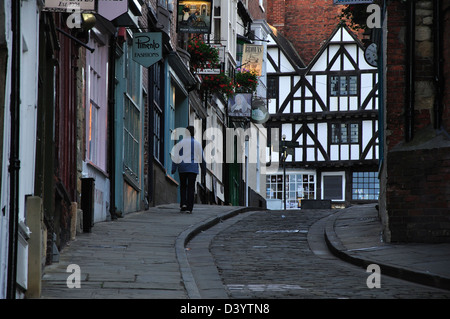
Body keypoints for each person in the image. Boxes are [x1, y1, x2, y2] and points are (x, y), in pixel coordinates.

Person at [171, 126, 206, 214]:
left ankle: (183, 204)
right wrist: (204, 170)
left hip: (182, 167)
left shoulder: (180, 143)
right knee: (191, 187)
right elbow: (201, 158)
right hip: (192, 168)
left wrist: (173, 168)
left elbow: (175, 156)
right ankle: (189, 208)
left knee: (183, 186)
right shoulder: (197, 144)